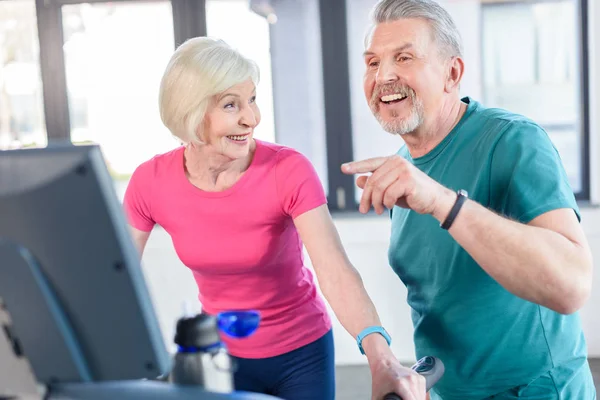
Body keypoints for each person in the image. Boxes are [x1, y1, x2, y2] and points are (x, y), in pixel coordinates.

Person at [123, 36, 420, 400]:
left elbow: (335, 271)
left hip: (302, 354)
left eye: (251, 100)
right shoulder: (150, 183)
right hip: (221, 359)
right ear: (191, 112)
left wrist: (380, 355)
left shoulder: (287, 170)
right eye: (232, 105)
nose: (252, 118)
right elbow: (118, 280)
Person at [341, 0, 596, 399]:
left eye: (403, 58)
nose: (384, 75)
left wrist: (444, 202)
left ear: (452, 73)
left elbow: (572, 286)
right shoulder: (403, 170)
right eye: (372, 63)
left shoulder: (513, 140)